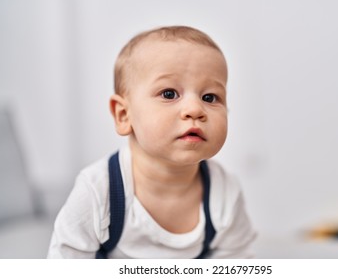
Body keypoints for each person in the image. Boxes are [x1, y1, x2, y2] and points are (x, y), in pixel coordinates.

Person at [47, 25, 256, 258]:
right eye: (169, 94)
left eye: (210, 97)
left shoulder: (224, 193)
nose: (195, 109)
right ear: (124, 115)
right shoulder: (99, 191)